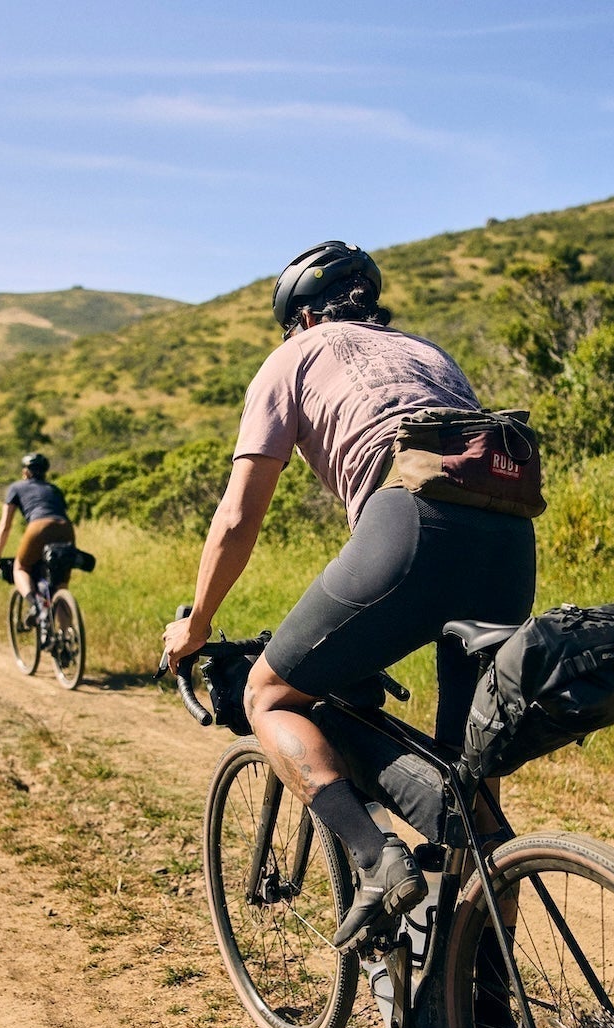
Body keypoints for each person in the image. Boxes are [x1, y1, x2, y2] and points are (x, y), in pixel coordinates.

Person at [159, 241, 537, 951]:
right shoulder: (427, 353)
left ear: (301, 316)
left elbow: (239, 516)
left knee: (267, 694)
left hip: (411, 528)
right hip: (511, 543)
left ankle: (376, 859)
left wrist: (198, 623)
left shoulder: (292, 358)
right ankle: (483, 1010)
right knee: (470, 786)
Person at [0, 453, 75, 608]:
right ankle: (66, 630)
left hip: (39, 527)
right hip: (66, 528)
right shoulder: (54, 489)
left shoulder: (16, 487)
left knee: (20, 567)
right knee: (60, 585)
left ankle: (36, 606)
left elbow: (5, 525)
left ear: (26, 471)